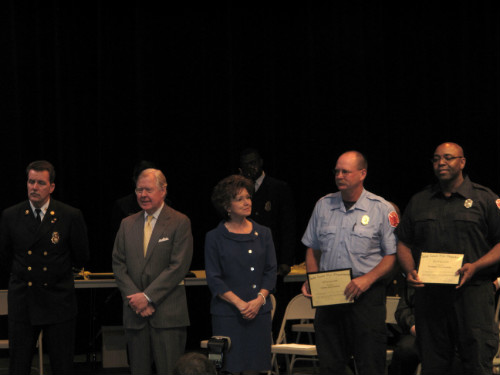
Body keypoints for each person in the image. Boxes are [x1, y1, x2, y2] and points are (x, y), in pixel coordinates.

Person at [396, 142, 500, 375]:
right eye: (435, 159)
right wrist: (410, 270)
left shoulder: (484, 199)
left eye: (448, 157)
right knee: (433, 365)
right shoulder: (419, 201)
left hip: (472, 296)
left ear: (462, 162)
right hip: (430, 298)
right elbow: (403, 241)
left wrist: (476, 266)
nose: (441, 162)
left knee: (476, 363)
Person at [301, 151, 398, 375]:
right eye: (337, 171)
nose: (339, 175)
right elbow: (313, 248)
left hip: (366, 294)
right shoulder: (323, 205)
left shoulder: (382, 209)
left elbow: (391, 256)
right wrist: (312, 280)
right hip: (330, 293)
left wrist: (367, 279)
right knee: (330, 363)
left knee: (370, 362)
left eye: (345, 171)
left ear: (362, 173)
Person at [0, 160, 89, 375]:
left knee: (61, 365)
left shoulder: (69, 215)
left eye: (41, 183)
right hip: (24, 300)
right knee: (19, 365)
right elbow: (4, 257)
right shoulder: (11, 215)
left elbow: (81, 256)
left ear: (52, 187)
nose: (34, 187)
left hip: (58, 299)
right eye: (31, 182)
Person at [112, 168, 193, 375]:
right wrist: (136, 300)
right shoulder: (126, 224)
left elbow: (178, 267)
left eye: (148, 189)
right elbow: (118, 265)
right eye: (139, 190)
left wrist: (148, 297)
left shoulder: (180, 222)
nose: (143, 195)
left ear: (163, 190)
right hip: (136, 315)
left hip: (168, 317)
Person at [205, 175, 277, 375]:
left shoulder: (264, 233)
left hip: (259, 314)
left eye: (248, 197)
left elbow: (271, 271)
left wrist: (258, 300)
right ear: (227, 206)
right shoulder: (214, 237)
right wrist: (240, 304)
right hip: (228, 315)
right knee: (229, 367)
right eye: (239, 199)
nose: (247, 202)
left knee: (257, 368)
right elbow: (214, 278)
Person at [239, 148, 296, 276]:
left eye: (253, 163)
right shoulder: (238, 190)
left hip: (272, 257)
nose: (250, 168)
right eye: (246, 165)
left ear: (260, 162)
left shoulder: (278, 188)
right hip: (244, 257)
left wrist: (286, 260)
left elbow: (288, 226)